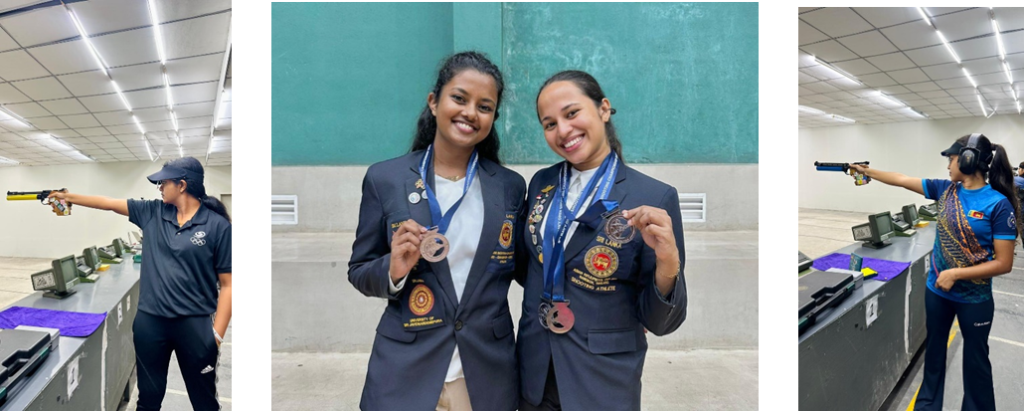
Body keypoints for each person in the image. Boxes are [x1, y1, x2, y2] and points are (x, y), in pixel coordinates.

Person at [347, 51, 526, 411]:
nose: (470, 113)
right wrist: (394, 269)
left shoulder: (509, 187)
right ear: (434, 101)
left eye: (485, 106)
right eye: (459, 98)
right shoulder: (386, 179)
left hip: (484, 372)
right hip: (405, 371)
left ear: (492, 118)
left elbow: (526, 269)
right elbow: (360, 271)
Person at [514, 70, 687, 411]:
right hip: (535, 372)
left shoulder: (653, 197)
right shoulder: (541, 184)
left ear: (603, 109)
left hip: (603, 380)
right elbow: (529, 268)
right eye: (550, 124)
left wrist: (668, 264)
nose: (563, 130)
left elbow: (660, 322)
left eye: (572, 113)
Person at [850, 134, 1022, 411]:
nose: (948, 165)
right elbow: (901, 179)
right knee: (933, 356)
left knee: (976, 364)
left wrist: (956, 274)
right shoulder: (945, 190)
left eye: (951, 159)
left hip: (975, 299)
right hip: (938, 293)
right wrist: (866, 171)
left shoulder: (998, 204)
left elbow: (1004, 263)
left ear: (968, 160)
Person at [50, 157, 232, 410]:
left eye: (163, 182)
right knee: (148, 399)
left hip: (195, 325)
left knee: (204, 402)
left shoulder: (218, 226)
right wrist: (68, 197)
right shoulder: (152, 212)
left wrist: (217, 335)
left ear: (182, 185)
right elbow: (108, 203)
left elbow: (228, 285)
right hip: (151, 324)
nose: (159, 187)